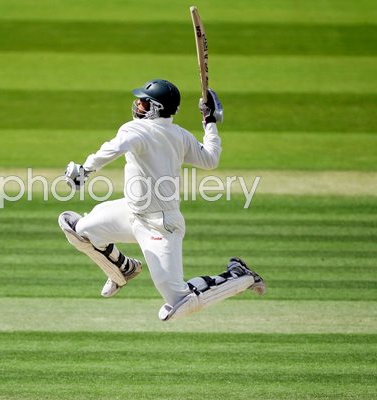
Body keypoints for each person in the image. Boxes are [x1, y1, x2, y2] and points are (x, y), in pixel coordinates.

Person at [58, 79, 265, 321]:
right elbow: (211, 158)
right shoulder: (180, 134)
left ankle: (239, 275)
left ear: (156, 108)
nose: (137, 104)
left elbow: (114, 147)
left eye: (144, 102)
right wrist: (209, 123)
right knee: (79, 231)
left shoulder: (138, 130)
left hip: (161, 225)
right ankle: (123, 269)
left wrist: (85, 170)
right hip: (131, 212)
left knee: (179, 302)